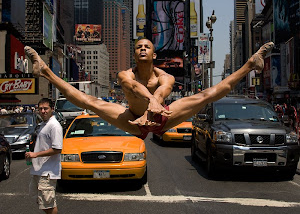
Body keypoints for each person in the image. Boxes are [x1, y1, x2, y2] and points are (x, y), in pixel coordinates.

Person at [25, 40, 274, 140]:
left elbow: (165, 90)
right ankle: (45, 70)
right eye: (138, 47)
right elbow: (132, 86)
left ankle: (251, 64)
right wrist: (150, 100)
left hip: (162, 117)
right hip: (132, 120)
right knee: (90, 101)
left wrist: (156, 103)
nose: (142, 49)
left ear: (154, 54)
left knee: (205, 95)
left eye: (147, 46)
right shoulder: (125, 74)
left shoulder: (164, 75)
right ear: (134, 53)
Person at [25, 98, 63, 214]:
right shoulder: (43, 124)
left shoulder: (54, 126)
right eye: (40, 109)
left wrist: (36, 154)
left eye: (46, 108)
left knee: (48, 202)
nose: (43, 111)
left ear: (51, 108)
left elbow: (57, 148)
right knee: (42, 201)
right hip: (38, 170)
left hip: (48, 171)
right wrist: (32, 154)